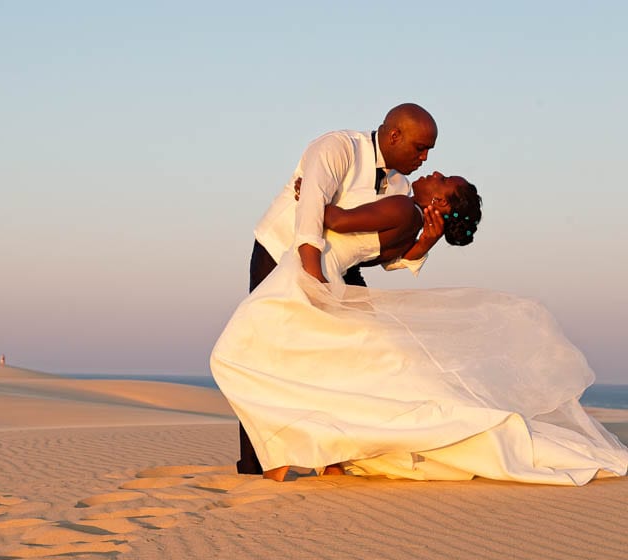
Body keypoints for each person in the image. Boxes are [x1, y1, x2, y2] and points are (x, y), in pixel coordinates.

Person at [211, 175, 628, 485]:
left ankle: (286, 459)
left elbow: (332, 219)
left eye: (442, 182)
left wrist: (307, 190)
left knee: (234, 357)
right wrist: (423, 243)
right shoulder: (405, 212)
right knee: (302, 368)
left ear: (441, 203)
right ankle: (300, 456)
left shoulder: (401, 209)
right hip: (318, 277)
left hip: (308, 278)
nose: (432, 173)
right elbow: (374, 254)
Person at [238, 103, 442, 475]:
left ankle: (333, 455)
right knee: (269, 356)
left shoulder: (400, 185)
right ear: (394, 135)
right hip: (281, 251)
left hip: (338, 268)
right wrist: (315, 283)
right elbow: (310, 214)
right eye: (420, 148)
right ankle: (257, 466)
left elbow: (379, 254)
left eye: (429, 150)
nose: (425, 158)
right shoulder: (337, 148)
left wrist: (424, 243)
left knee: (346, 357)